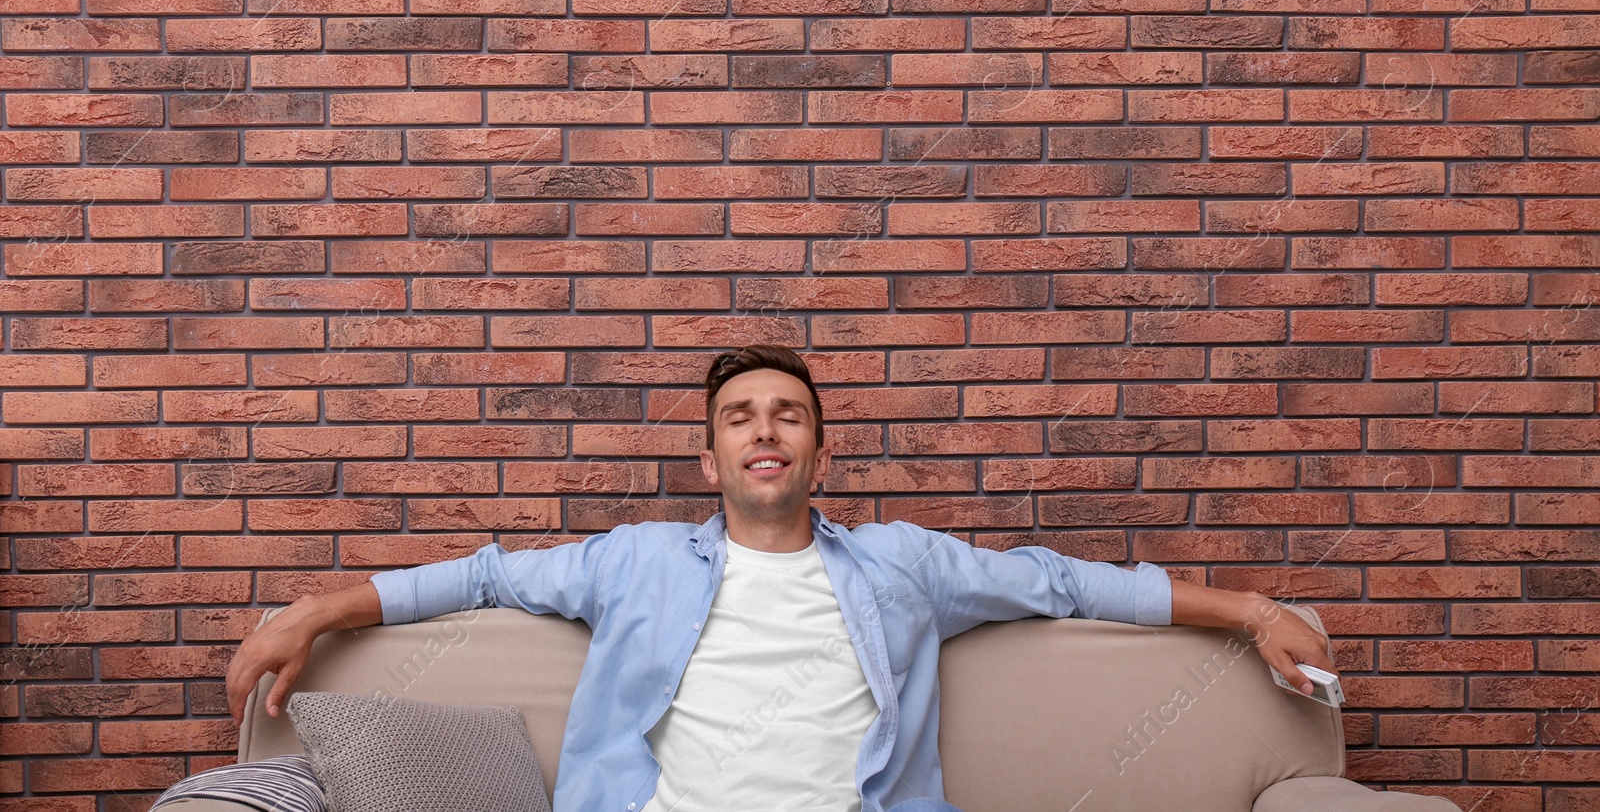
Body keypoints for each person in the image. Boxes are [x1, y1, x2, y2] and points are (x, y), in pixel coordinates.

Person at [226, 344, 1337, 812]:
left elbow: (1060, 583)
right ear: (709, 459)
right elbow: (479, 573)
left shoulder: (903, 563)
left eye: (789, 413)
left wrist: (1248, 609)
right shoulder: (637, 560)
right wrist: (316, 610)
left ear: (816, 451)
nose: (767, 429)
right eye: (740, 415)